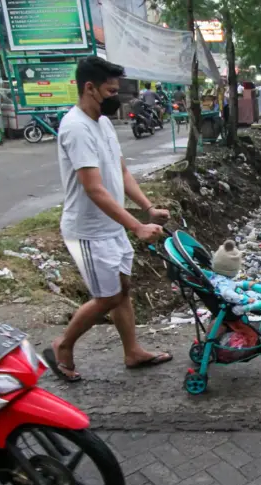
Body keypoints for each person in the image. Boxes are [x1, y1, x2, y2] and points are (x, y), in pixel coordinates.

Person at [47, 56, 173, 382]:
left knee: (123, 288)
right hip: (88, 231)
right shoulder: (75, 128)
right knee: (108, 297)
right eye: (110, 89)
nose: (116, 96)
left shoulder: (102, 123)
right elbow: (94, 189)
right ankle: (63, 343)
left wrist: (147, 208)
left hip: (111, 226)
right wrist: (136, 226)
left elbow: (121, 171)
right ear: (90, 88)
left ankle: (132, 351)